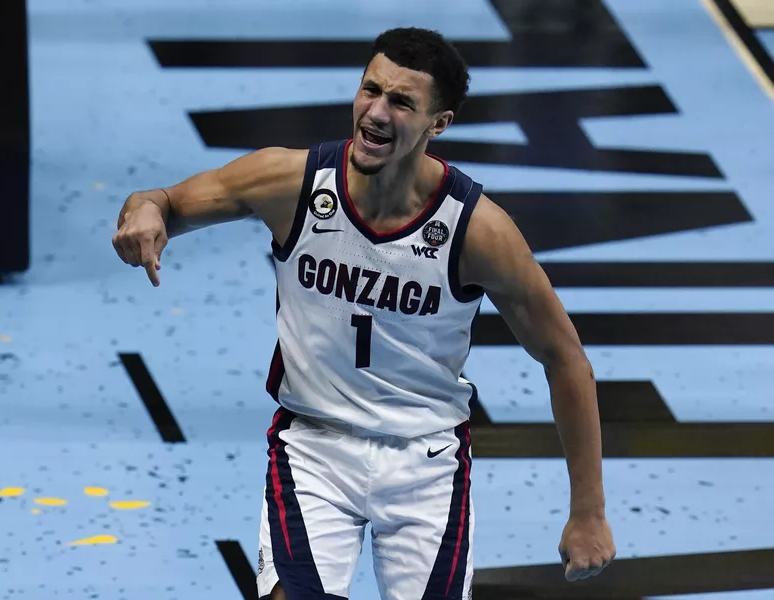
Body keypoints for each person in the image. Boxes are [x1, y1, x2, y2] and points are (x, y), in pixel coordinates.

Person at [112, 27, 615, 600]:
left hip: (425, 462)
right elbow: (163, 199)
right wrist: (146, 213)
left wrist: (589, 513)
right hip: (314, 449)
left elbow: (564, 358)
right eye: (369, 90)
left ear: (438, 123)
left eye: (401, 102)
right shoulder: (291, 183)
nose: (375, 113)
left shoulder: (477, 231)